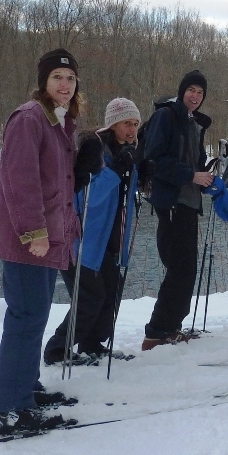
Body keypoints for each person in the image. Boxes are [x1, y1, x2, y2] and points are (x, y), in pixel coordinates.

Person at [0, 47, 99, 437]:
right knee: (25, 319)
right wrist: (33, 232)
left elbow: (58, 182)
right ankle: (10, 411)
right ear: (43, 82)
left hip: (49, 239)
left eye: (70, 79)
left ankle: (25, 391)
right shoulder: (29, 118)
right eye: (57, 78)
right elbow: (20, 182)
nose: (65, 85)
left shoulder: (60, 123)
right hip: (29, 240)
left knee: (34, 317)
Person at [43, 98, 142, 365]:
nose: (131, 129)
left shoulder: (127, 151)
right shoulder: (94, 150)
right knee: (89, 297)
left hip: (110, 239)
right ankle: (56, 350)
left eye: (135, 124)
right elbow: (90, 195)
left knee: (111, 291)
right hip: (81, 239)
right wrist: (117, 168)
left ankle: (92, 344)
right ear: (112, 124)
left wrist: (142, 175)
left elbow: (123, 195)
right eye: (126, 123)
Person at [141, 70, 214, 350]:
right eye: (191, 90)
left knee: (186, 269)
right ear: (182, 90)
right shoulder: (166, 116)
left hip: (189, 203)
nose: (195, 96)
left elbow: (195, 163)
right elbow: (155, 159)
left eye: (200, 92)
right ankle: (157, 332)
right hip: (172, 202)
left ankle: (170, 328)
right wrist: (191, 176)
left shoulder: (194, 123)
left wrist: (206, 178)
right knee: (179, 269)